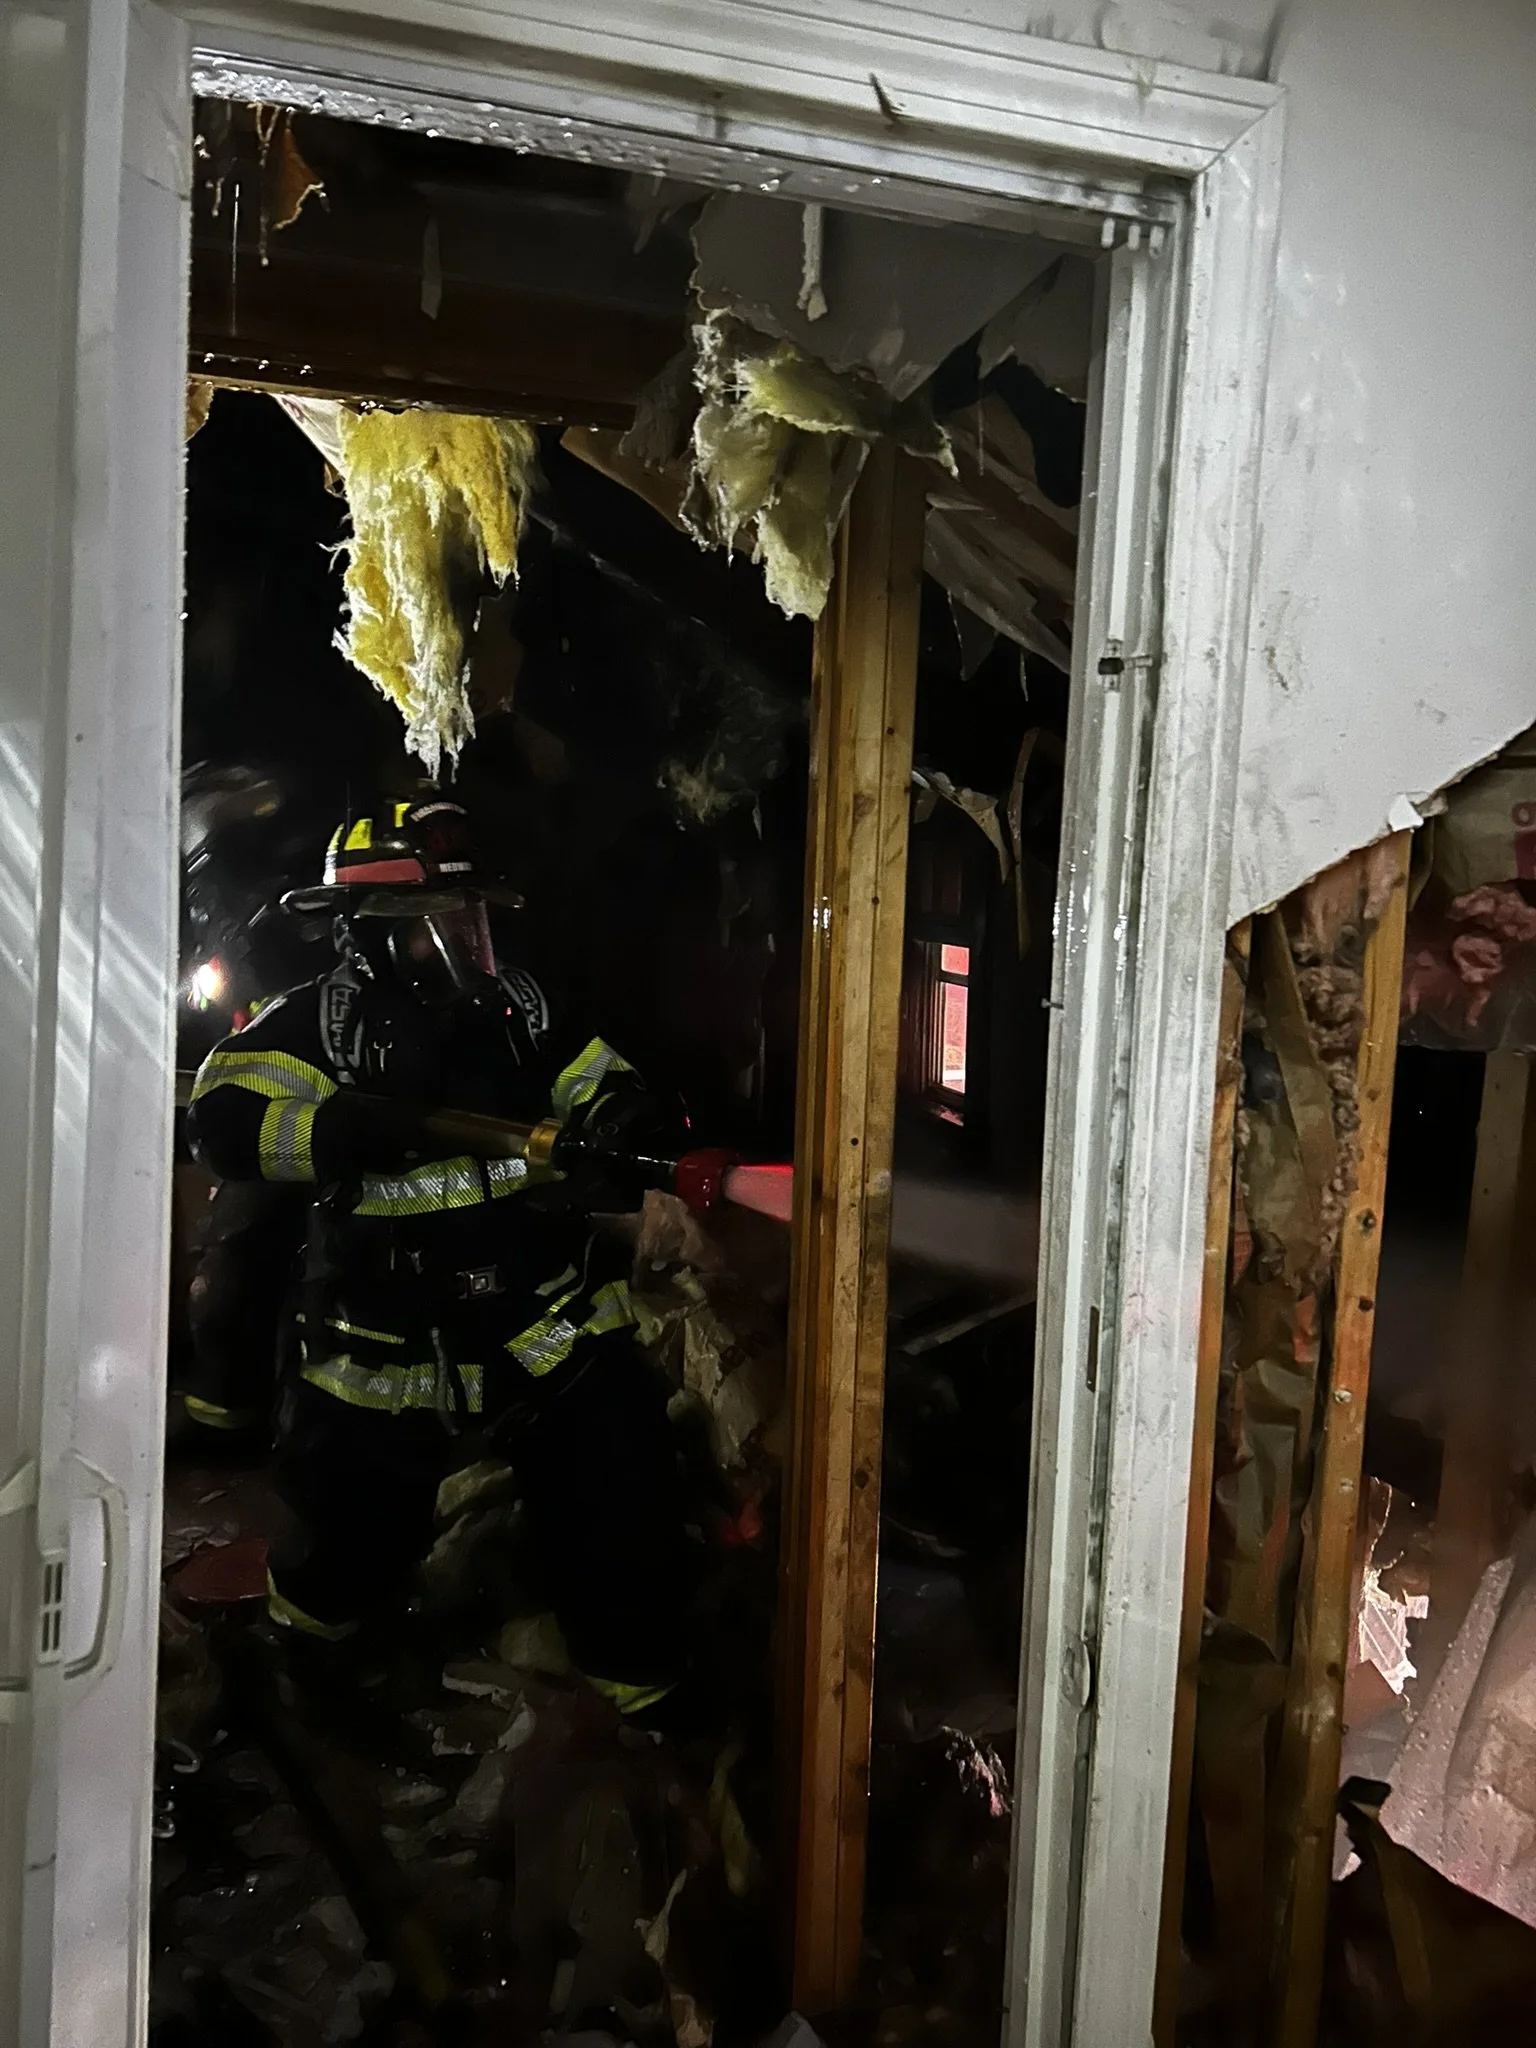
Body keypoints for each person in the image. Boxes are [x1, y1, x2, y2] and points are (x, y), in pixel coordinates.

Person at [185, 794, 689, 1713]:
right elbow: (221, 1120)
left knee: (622, 1494)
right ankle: (321, 1673)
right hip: (384, 1342)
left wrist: (624, 1117)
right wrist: (336, 1130)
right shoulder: (317, 1025)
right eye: (436, 928)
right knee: (346, 1524)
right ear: (368, 934)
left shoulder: (520, 1009)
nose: (464, 943)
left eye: (472, 920)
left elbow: (599, 1075)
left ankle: (649, 1698)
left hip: (541, 1319)